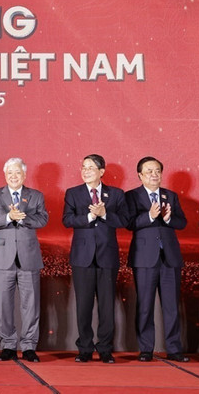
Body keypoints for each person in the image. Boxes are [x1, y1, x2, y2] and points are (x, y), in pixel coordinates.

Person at [62, 154, 127, 364]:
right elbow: (67, 219)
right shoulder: (73, 193)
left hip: (107, 256)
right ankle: (85, 348)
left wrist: (104, 213)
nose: (86, 170)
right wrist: (90, 216)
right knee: (83, 305)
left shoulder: (116, 194)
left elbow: (124, 220)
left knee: (107, 306)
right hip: (82, 257)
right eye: (83, 167)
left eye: (91, 167)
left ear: (102, 172)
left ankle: (106, 349)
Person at [0, 158, 48, 363]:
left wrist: (23, 219)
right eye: (10, 172)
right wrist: (8, 218)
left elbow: (43, 219)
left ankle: (29, 346)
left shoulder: (36, 196)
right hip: (2, 258)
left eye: (17, 172)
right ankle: (8, 345)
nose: (13, 176)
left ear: (24, 175)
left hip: (29, 256)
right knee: (3, 304)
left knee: (31, 304)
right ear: (5, 174)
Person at [125, 156, 188, 363]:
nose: (154, 175)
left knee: (171, 305)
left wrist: (168, 218)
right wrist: (150, 216)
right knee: (144, 305)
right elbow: (128, 223)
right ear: (140, 175)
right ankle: (146, 349)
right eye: (149, 171)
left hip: (170, 258)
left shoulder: (171, 195)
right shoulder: (131, 196)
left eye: (157, 171)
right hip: (144, 258)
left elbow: (182, 223)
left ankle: (174, 348)